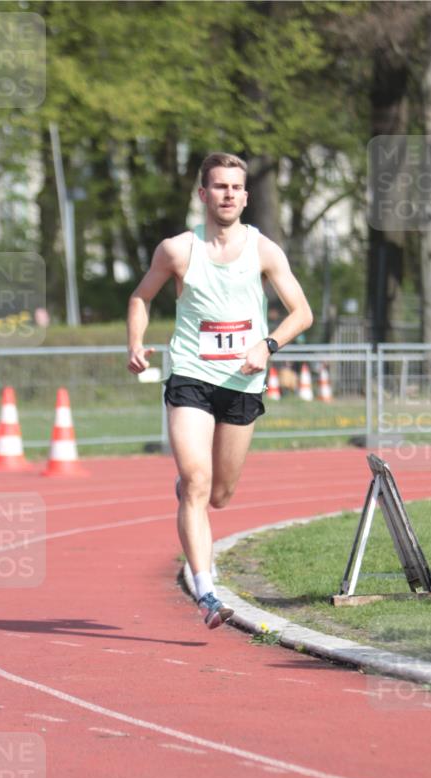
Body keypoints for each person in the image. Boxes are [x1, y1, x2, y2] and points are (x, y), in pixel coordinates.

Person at [127, 152, 313, 628]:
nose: (228, 194)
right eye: (219, 186)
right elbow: (140, 297)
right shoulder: (176, 250)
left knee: (221, 495)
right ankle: (207, 591)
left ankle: (195, 487)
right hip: (190, 374)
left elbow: (301, 313)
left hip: (242, 382)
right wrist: (135, 344)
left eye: (236, 187)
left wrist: (267, 345)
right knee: (197, 482)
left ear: (245, 196)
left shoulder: (264, 250)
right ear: (203, 194)